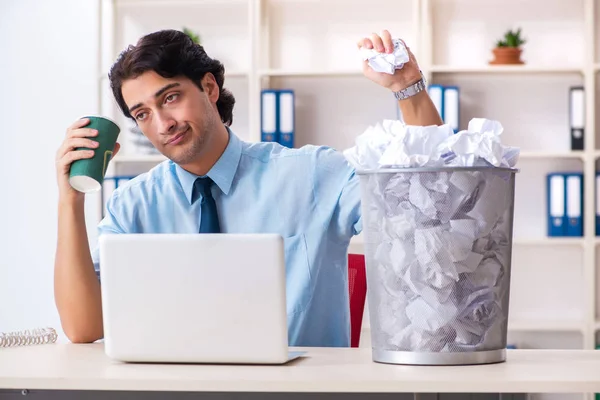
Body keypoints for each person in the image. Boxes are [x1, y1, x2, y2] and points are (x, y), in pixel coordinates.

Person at [54, 29, 443, 346]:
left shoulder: (312, 173)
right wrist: (70, 201)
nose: (162, 124)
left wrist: (408, 89)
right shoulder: (133, 205)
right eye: (142, 114)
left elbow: (422, 211)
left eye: (170, 98)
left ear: (208, 88)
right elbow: (85, 328)